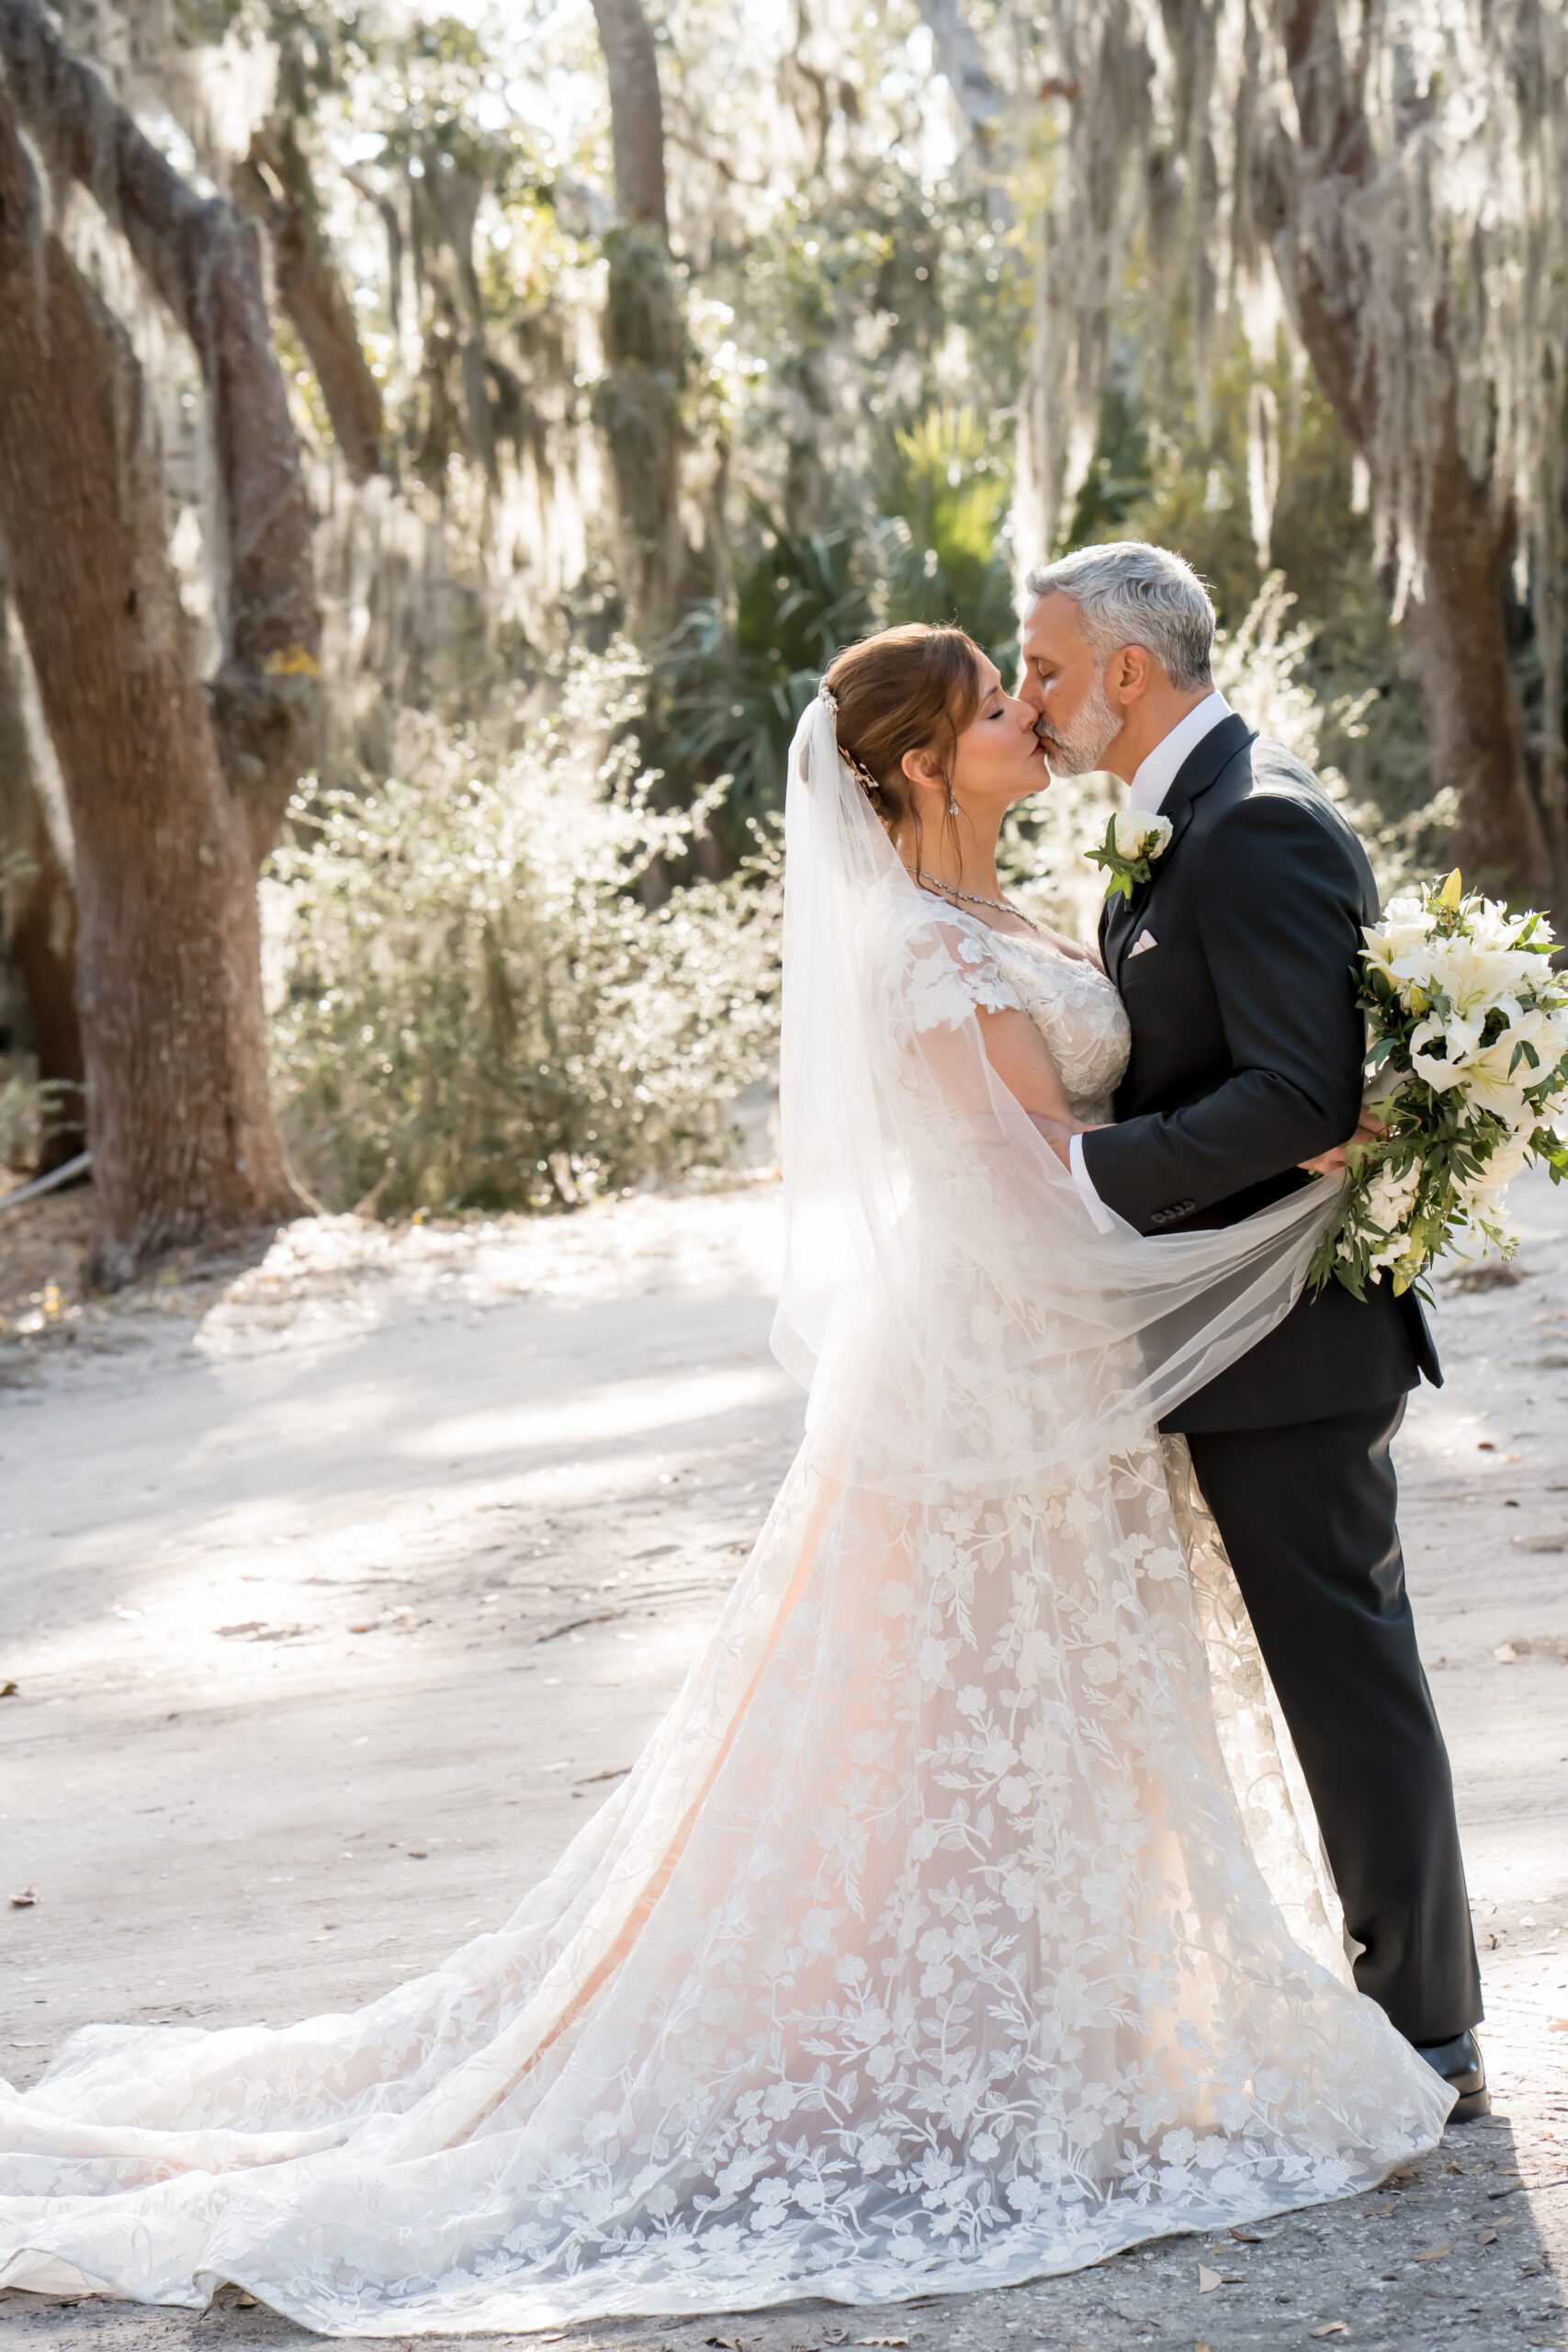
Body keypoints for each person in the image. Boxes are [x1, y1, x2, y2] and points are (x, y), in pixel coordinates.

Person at [0, 623, 1455, 2341]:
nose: (1031, 716)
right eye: (1002, 702)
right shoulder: (919, 949)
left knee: (1051, 1706)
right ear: (921, 764)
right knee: (956, 1704)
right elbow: (1041, 1192)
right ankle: (955, 2043)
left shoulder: (1011, 910)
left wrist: (1322, 1141)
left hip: (1059, 1371)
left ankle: (1066, 2016)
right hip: (989, 1368)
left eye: (1034, 684)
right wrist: (1310, 1174)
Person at [1016, 542, 1484, 2119]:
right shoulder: (1175, 828)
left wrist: (1086, 1174)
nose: (1036, 698)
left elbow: (1299, 1093)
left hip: (1288, 1347)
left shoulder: (1260, 822)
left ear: (1129, 674)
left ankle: (1428, 2028)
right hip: (1206, 1335)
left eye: (1049, 668)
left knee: (1347, 1677)